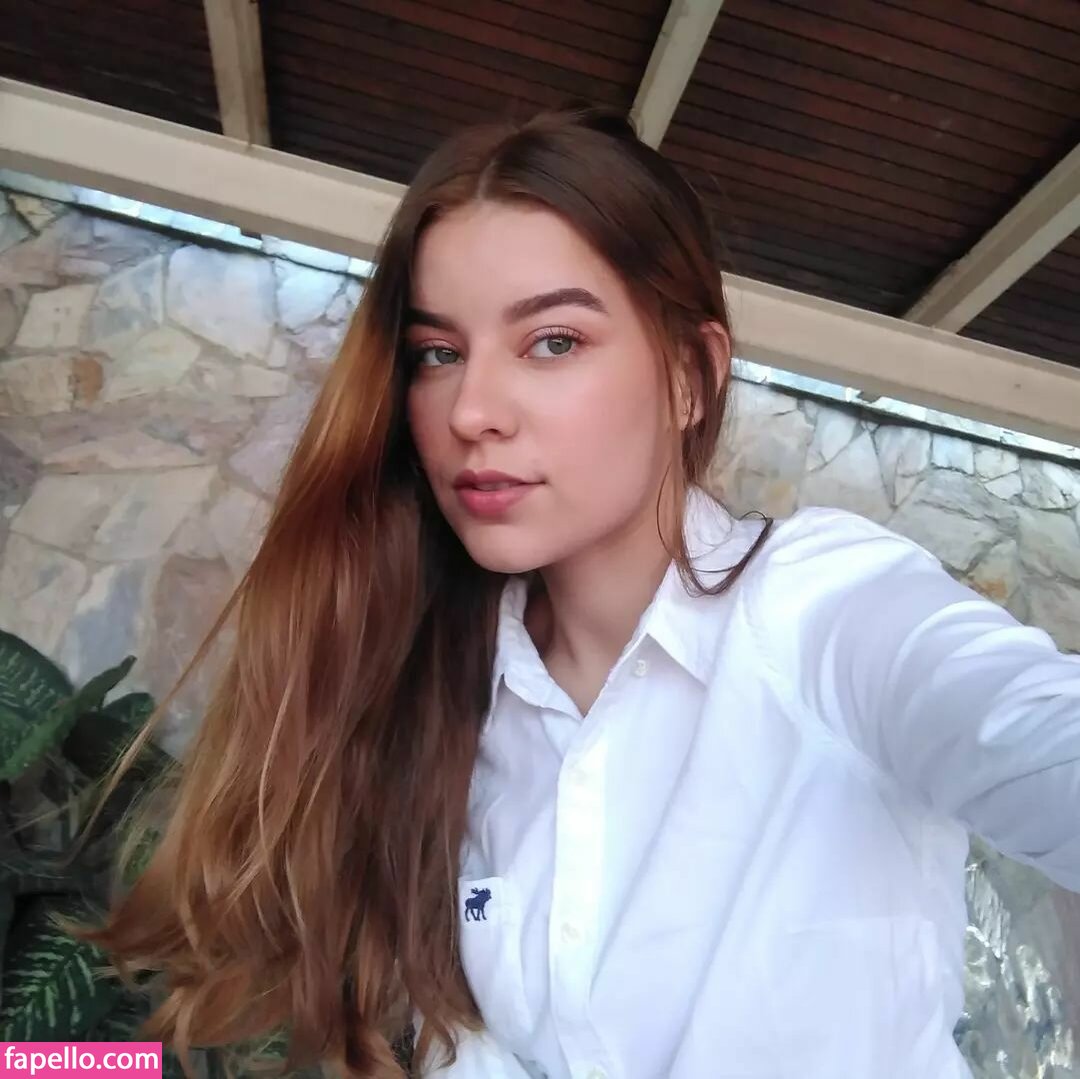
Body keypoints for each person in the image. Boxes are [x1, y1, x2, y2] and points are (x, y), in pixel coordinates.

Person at [76, 103, 1080, 1079]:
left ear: (690, 375)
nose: (471, 410)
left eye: (552, 340)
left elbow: (1030, 730)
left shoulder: (820, 606)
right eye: (437, 354)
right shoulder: (441, 704)